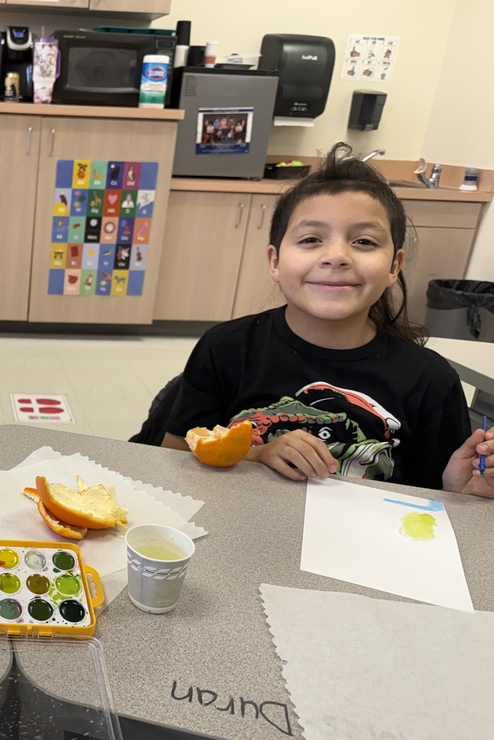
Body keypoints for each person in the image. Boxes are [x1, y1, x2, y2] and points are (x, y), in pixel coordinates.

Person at [162, 142, 493, 496]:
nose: (336, 256)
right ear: (275, 261)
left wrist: (463, 493)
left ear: (394, 266)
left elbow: (440, 495)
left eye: (364, 241)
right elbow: (174, 455)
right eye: (310, 239)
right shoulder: (225, 348)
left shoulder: (431, 380)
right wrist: (257, 455)